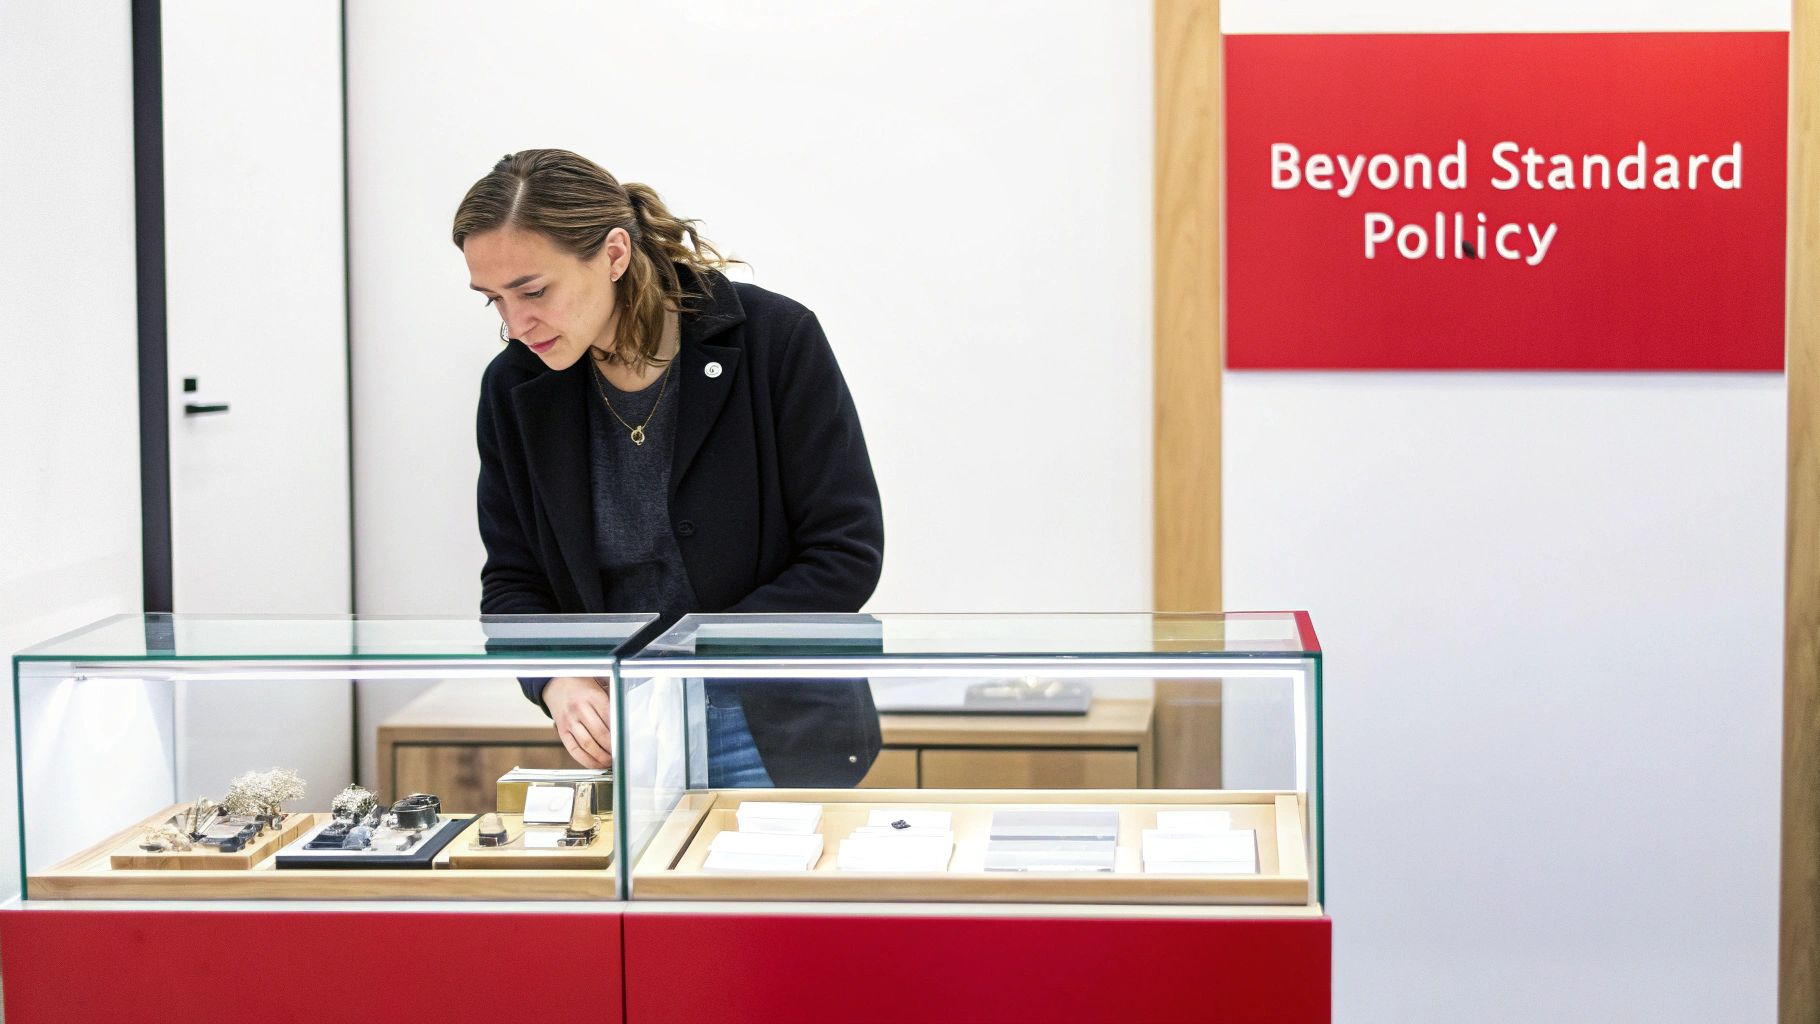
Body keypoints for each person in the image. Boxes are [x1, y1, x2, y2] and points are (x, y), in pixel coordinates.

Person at [454, 149, 883, 788]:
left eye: (534, 291)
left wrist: (693, 655)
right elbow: (515, 579)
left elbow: (844, 553)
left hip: (774, 727)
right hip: (627, 732)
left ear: (615, 255)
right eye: (494, 300)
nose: (516, 326)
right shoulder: (516, 388)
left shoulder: (773, 339)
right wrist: (554, 680)